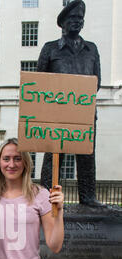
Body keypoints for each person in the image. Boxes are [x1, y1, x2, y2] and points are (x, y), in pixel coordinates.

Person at [37, 0, 102, 207]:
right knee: (53, 157)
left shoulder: (91, 49)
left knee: (86, 156)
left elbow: (96, 81)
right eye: (72, 18)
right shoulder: (50, 49)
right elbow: (40, 81)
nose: (76, 22)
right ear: (62, 23)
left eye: (79, 19)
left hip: (84, 112)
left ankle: (88, 197)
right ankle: (46, 197)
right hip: (56, 113)